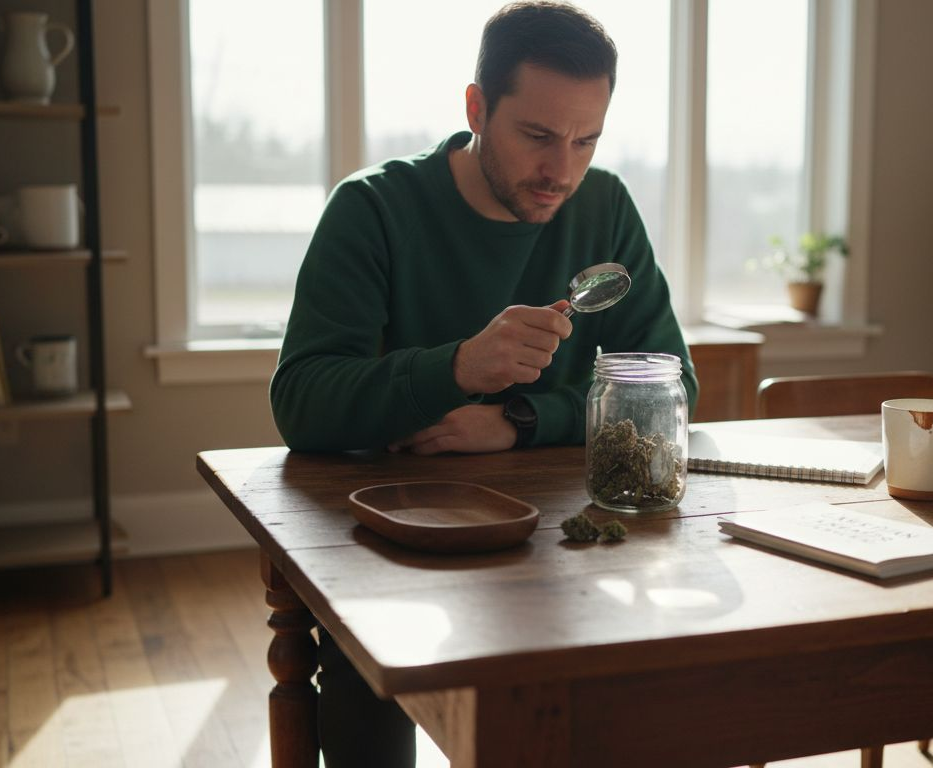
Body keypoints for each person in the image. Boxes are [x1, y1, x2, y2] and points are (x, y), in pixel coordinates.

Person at [269, 2, 697, 764]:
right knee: (367, 683)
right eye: (537, 136)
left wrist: (522, 419)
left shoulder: (605, 208)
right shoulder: (372, 209)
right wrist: (457, 368)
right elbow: (302, 400)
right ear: (476, 107)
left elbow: (670, 387)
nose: (561, 170)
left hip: (573, 551)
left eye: (586, 140)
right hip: (394, 548)